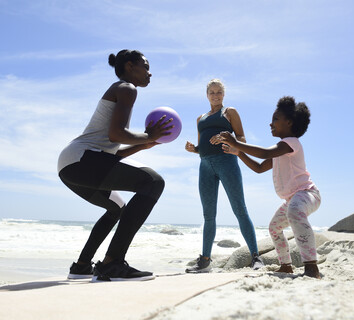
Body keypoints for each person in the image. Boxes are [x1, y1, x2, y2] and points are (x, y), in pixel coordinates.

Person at [57, 49, 174, 282]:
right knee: (153, 182)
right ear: (130, 66)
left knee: (116, 209)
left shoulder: (120, 90)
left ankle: (81, 266)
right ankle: (113, 263)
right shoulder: (126, 88)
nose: (150, 73)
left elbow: (109, 151)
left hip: (71, 164)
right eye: (146, 66)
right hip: (82, 159)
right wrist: (148, 135)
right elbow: (116, 134)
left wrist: (142, 145)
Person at [214, 96, 322, 279]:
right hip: (293, 199)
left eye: (275, 119)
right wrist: (238, 152)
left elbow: (265, 152)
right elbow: (258, 168)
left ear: (289, 122)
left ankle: (311, 266)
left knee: (295, 211)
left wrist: (236, 143)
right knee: (274, 227)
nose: (270, 123)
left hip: (308, 194)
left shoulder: (291, 143)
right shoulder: (280, 150)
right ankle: (286, 265)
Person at [184, 79, 264, 273]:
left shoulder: (230, 112)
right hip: (205, 166)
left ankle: (256, 257)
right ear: (206, 95)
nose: (215, 95)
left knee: (239, 209)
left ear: (224, 94)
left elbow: (242, 139)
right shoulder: (200, 118)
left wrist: (226, 138)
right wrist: (193, 149)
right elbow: (201, 147)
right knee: (208, 215)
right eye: (211, 92)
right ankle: (205, 260)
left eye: (219, 92)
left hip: (227, 162)